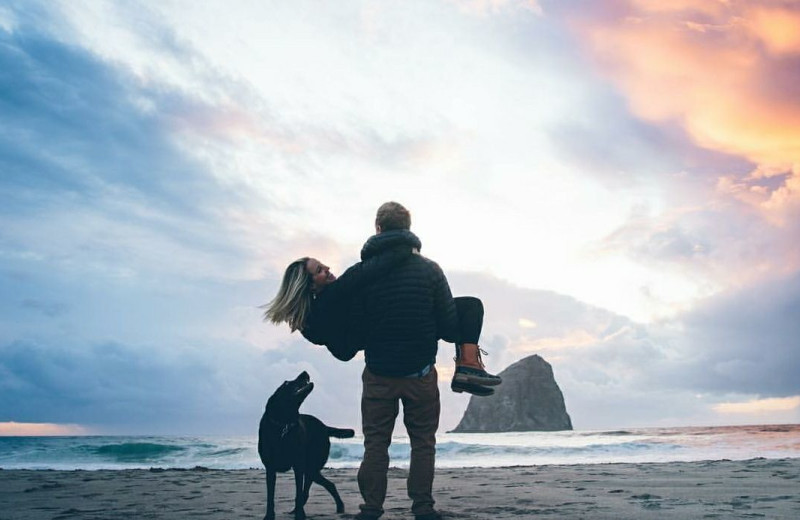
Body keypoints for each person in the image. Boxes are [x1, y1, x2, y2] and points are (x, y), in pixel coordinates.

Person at [353, 202, 498, 520]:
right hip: (419, 373)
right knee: (423, 442)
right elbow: (448, 328)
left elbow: (357, 325)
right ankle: (422, 506)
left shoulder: (363, 273)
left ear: (378, 228)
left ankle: (371, 508)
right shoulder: (430, 270)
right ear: (408, 229)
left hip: (378, 373)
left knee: (376, 443)